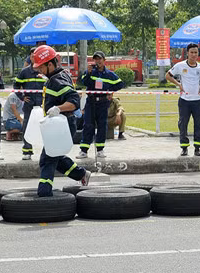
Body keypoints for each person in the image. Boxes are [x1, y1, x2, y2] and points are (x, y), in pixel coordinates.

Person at [29, 45, 91, 196]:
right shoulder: (55, 77)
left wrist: (58, 108)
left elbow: (74, 101)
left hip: (62, 124)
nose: (39, 70)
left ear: (50, 64)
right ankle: (81, 174)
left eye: (41, 67)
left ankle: (44, 193)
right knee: (56, 156)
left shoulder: (59, 80)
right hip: (56, 125)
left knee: (47, 159)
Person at [77, 51, 123, 159]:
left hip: (103, 103)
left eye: (99, 59)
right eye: (96, 59)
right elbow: (83, 82)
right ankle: (84, 150)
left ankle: (100, 150)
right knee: (88, 125)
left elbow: (120, 84)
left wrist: (109, 91)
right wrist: (88, 73)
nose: (98, 61)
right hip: (91, 102)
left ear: (104, 60)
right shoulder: (90, 71)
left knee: (102, 126)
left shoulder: (109, 74)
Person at [166, 43, 200, 157]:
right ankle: (184, 147)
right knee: (183, 124)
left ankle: (197, 148)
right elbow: (168, 75)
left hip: (196, 100)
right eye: (192, 52)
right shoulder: (180, 66)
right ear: (187, 53)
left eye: (196, 52)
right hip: (184, 100)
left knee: (198, 124)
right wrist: (178, 84)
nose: (194, 55)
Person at [15, 48, 45, 161]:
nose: (34, 58)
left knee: (46, 127)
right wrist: (22, 97)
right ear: (30, 57)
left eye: (36, 56)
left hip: (43, 104)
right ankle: (27, 151)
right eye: (32, 56)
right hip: (29, 104)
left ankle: (47, 151)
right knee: (27, 126)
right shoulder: (25, 72)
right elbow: (16, 86)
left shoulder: (44, 70)